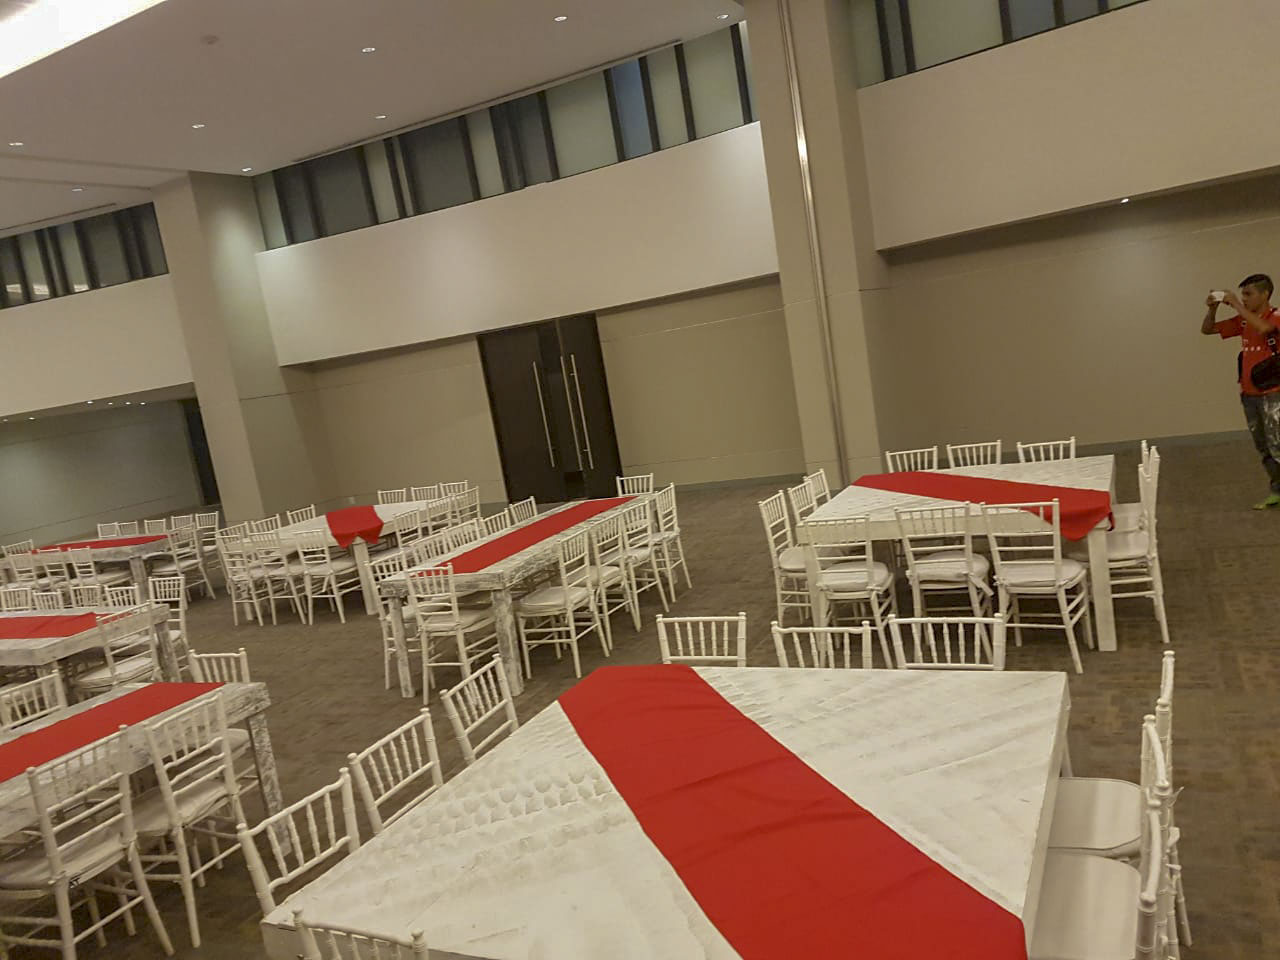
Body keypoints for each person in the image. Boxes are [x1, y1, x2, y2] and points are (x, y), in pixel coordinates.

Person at [1203, 273, 1280, 508]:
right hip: (1249, 393)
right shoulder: (1243, 321)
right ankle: (1277, 489)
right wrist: (1213, 309)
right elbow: (1208, 329)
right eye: (1242, 295)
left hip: (1273, 392)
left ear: (1265, 294)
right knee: (1263, 446)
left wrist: (1236, 304)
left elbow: (1265, 328)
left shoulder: (1275, 316)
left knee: (1278, 444)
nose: (1244, 299)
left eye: (1248, 294)